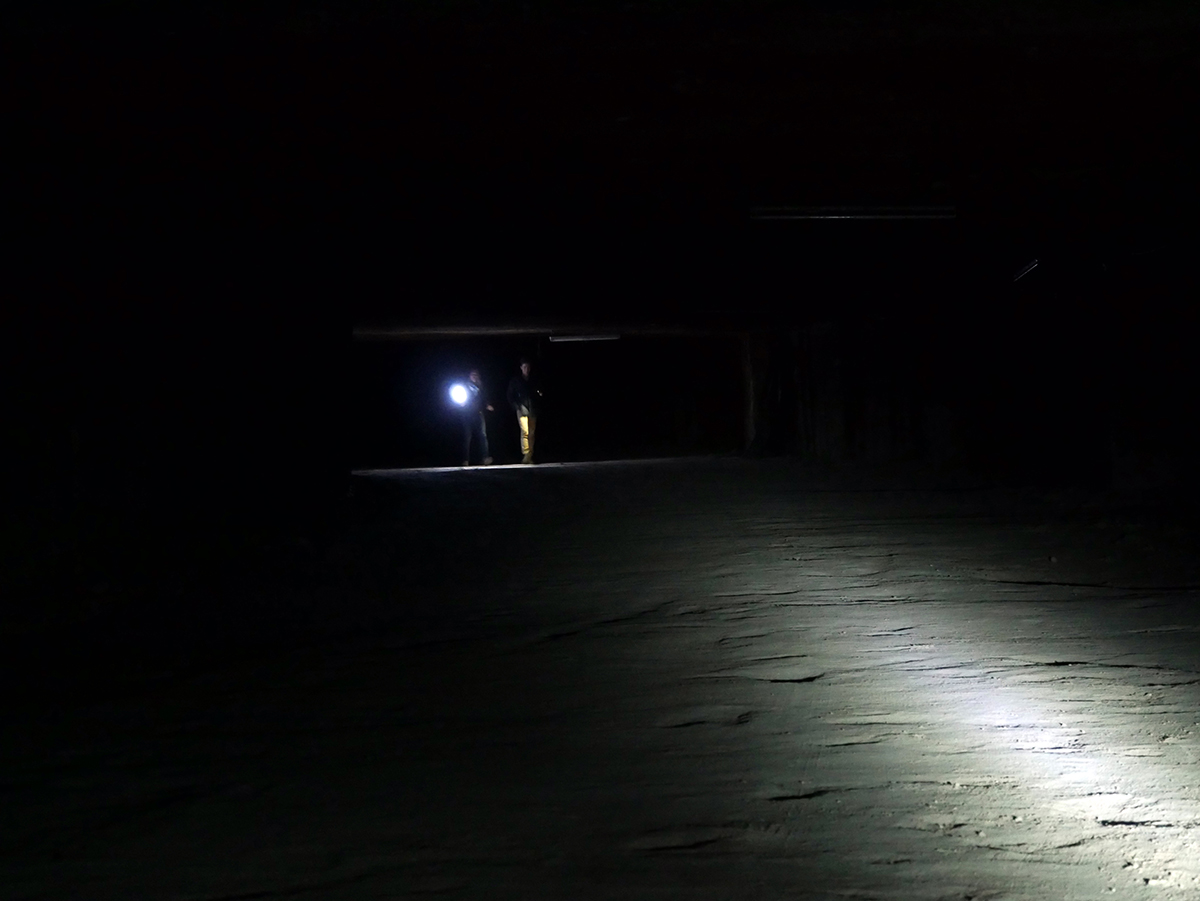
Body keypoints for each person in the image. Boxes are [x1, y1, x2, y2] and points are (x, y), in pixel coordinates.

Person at [506, 357, 542, 464]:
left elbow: (538, 394)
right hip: (521, 409)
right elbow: (510, 395)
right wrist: (517, 406)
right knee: (524, 431)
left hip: (533, 409)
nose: (526, 369)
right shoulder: (516, 381)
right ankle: (526, 454)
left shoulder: (534, 380)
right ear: (521, 368)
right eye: (524, 367)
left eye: (528, 367)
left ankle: (530, 454)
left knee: (532, 432)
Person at [460, 369, 493, 466]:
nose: (474, 376)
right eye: (472, 375)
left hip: (478, 413)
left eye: (476, 375)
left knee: (482, 435)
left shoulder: (481, 387)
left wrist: (487, 405)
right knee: (467, 436)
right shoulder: (465, 386)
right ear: (469, 376)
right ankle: (465, 459)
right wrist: (461, 403)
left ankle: (485, 458)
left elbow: (484, 398)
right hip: (467, 414)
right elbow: (460, 397)